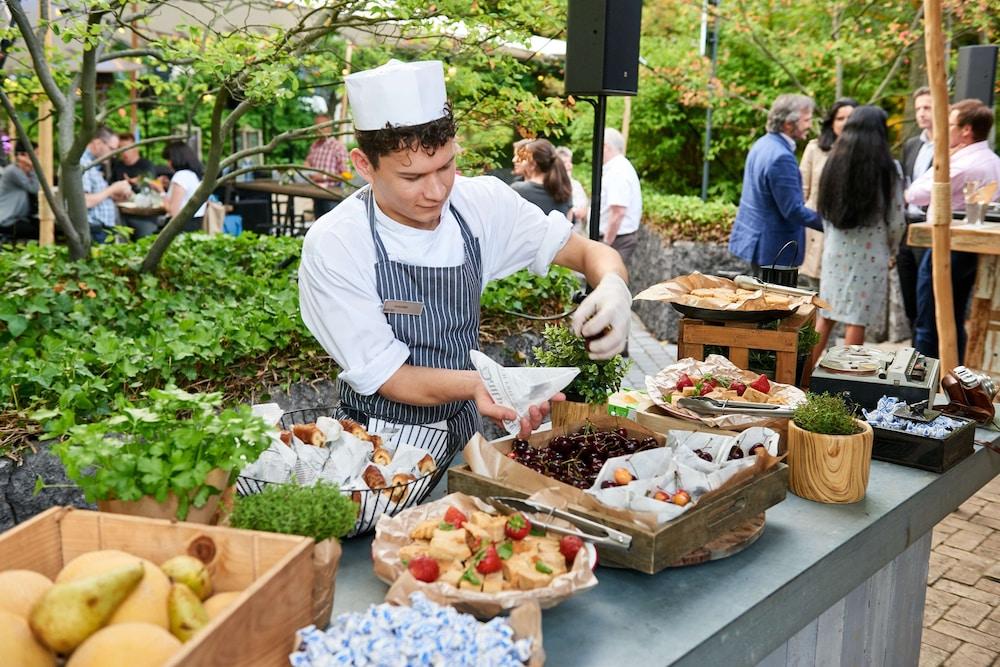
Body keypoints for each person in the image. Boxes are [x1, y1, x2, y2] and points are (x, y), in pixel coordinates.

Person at [298, 59, 631, 449]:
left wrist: (612, 284)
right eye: (412, 177)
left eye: (446, 166)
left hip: (464, 438)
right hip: (377, 447)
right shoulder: (337, 243)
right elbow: (392, 378)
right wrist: (487, 384)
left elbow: (587, 252)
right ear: (363, 166)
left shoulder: (481, 204)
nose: (437, 191)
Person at [905, 98, 1000, 361]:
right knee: (954, 317)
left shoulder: (960, 163)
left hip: (946, 245)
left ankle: (921, 382)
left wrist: (945, 156)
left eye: (949, 124)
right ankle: (954, 377)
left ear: (966, 130)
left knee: (927, 319)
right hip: (969, 248)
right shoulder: (994, 160)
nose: (943, 130)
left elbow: (915, 194)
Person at [811, 106, 905, 364]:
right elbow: (896, 219)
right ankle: (847, 381)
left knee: (826, 317)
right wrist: (893, 250)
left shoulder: (833, 162)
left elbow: (825, 211)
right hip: (870, 254)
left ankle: (802, 377)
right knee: (857, 320)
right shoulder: (889, 169)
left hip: (835, 251)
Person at [729, 94, 823, 274]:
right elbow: (793, 210)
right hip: (776, 251)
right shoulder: (782, 157)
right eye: (807, 120)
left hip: (759, 245)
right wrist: (831, 224)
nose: (810, 125)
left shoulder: (762, 144)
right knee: (772, 303)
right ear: (789, 124)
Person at [798, 97, 857, 289]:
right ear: (832, 123)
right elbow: (802, 191)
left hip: (849, 233)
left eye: (851, 117)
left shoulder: (863, 153)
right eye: (840, 118)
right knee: (815, 291)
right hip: (816, 230)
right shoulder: (815, 149)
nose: (845, 123)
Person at [897, 87, 934, 333]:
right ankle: (913, 346)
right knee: (908, 289)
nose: (921, 113)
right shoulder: (912, 145)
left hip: (929, 225)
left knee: (925, 294)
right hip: (905, 224)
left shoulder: (948, 147)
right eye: (919, 108)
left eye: (927, 107)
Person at [81, 127, 133, 243]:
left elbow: (96, 196)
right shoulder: (83, 163)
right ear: (98, 143)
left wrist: (115, 195)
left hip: (100, 228)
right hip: (94, 228)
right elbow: (84, 201)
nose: (113, 155)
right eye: (111, 149)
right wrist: (112, 189)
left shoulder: (92, 164)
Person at [599, 128, 642, 264]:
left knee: (608, 280)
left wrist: (606, 244)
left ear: (605, 146)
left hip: (616, 240)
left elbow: (618, 212)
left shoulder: (617, 171)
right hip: (617, 239)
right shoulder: (619, 167)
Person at [111, 133, 163, 239]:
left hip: (145, 215)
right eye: (120, 148)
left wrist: (138, 182)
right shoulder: (117, 166)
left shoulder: (146, 165)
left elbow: (153, 186)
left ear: (135, 148)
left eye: (127, 148)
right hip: (122, 214)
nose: (124, 152)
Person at [510, 139, 572, 217]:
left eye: (522, 158)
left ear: (533, 164)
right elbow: (568, 222)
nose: (515, 160)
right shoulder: (565, 191)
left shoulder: (518, 190)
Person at [304, 114, 349, 219]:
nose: (319, 130)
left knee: (333, 227)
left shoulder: (338, 147)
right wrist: (306, 165)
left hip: (331, 195)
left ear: (330, 128)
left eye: (322, 127)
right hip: (316, 193)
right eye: (316, 127)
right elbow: (308, 164)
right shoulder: (314, 146)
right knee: (319, 226)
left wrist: (323, 177)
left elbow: (347, 175)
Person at [162, 141, 207, 231]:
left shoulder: (181, 176)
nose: (168, 164)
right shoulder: (195, 175)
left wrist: (160, 191)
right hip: (196, 224)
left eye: (169, 160)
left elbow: (173, 211)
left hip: (180, 228)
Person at [0, 141, 40, 241]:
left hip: (20, 218)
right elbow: (34, 188)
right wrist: (34, 167)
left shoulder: (25, 171)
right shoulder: (12, 171)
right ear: (22, 155)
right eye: (35, 154)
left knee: (52, 228)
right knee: (40, 231)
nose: (38, 158)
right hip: (7, 220)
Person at [555, 145, 589, 233]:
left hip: (576, 233)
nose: (569, 165)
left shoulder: (576, 184)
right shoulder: (551, 185)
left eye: (570, 162)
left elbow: (582, 212)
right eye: (564, 162)